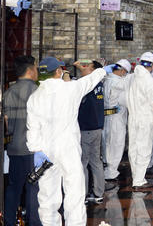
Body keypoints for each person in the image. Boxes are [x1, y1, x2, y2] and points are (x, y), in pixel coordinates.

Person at [26, 56, 106, 225]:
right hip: (68, 148)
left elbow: (32, 128)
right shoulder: (71, 89)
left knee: (47, 196)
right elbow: (90, 81)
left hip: (45, 152)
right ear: (58, 71)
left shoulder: (34, 97)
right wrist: (102, 69)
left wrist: (36, 150)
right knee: (74, 192)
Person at [3, 55, 42, 226]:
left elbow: (7, 124)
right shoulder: (38, 91)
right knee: (33, 188)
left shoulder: (8, 92)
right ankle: (33, 222)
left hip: (14, 148)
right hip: (33, 149)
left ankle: (9, 221)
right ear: (30, 70)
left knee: (14, 187)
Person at [126, 52, 153, 190]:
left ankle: (136, 176)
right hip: (145, 118)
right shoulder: (150, 82)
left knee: (133, 147)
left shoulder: (131, 78)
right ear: (151, 65)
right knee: (144, 148)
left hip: (132, 117)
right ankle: (139, 179)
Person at [76, 60, 106, 204]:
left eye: (87, 67)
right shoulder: (99, 84)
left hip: (87, 129)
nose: (84, 68)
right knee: (96, 161)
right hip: (97, 128)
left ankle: (83, 194)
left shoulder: (86, 86)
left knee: (83, 162)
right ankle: (99, 193)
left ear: (93, 71)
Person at [103, 59, 132, 181]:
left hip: (105, 117)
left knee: (106, 143)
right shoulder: (120, 83)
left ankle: (107, 167)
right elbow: (126, 101)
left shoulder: (106, 79)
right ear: (122, 71)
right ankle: (111, 171)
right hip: (117, 118)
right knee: (116, 144)